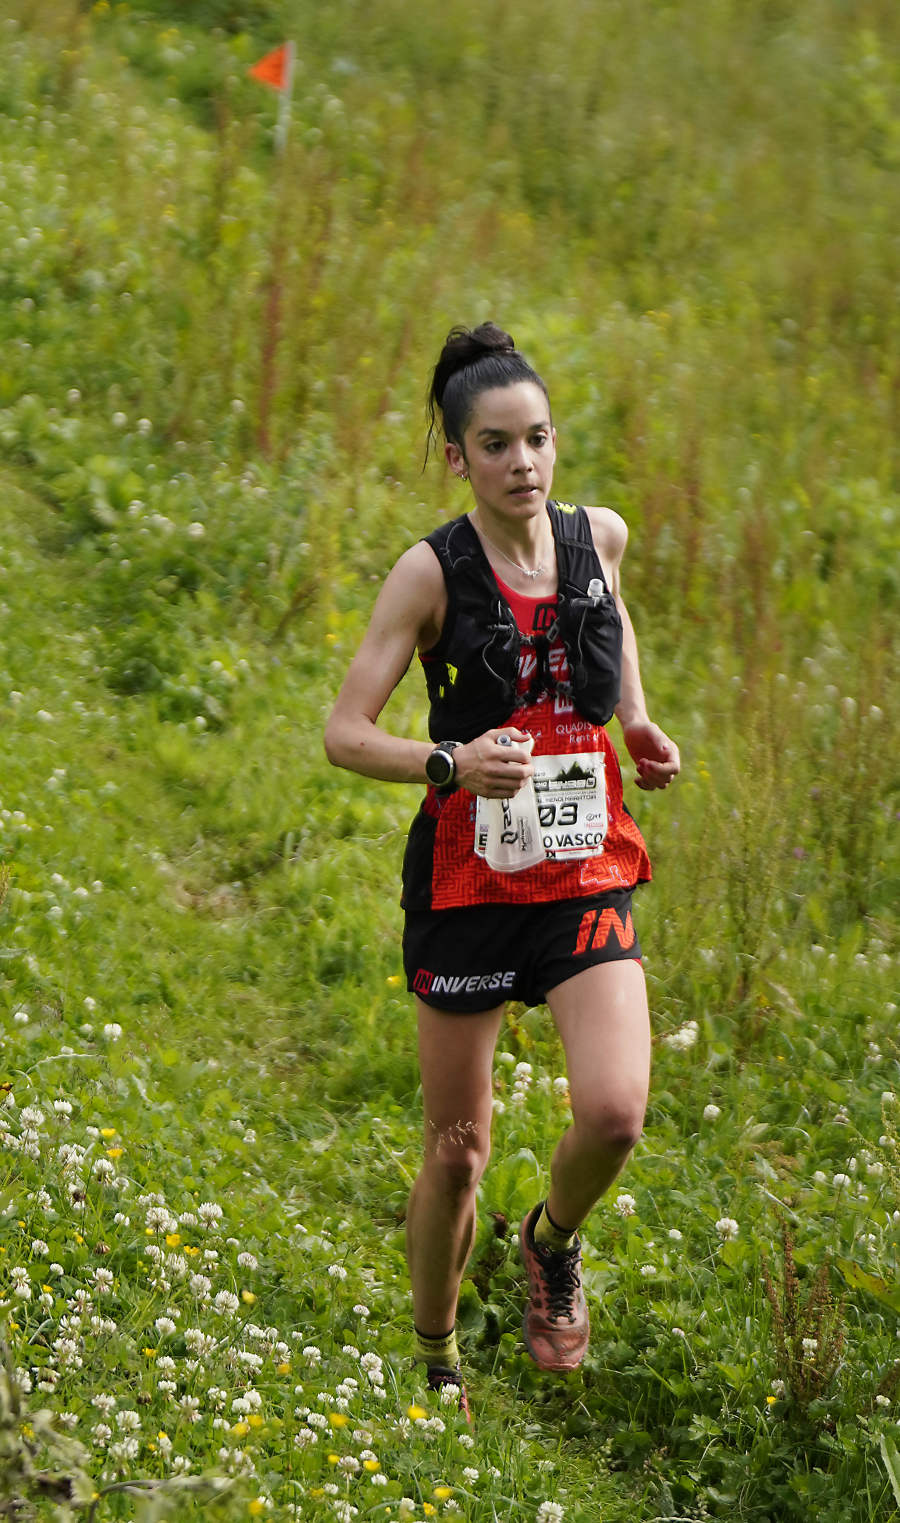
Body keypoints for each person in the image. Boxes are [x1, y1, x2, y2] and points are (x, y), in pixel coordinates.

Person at [324, 322, 679, 1414]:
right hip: (469, 886)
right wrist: (449, 760)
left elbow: (609, 627)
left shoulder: (597, 537)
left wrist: (637, 720)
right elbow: (344, 730)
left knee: (617, 1111)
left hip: (581, 870)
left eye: (536, 439)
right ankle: (435, 1355)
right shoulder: (430, 571)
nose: (522, 463)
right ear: (457, 456)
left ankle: (551, 1242)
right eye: (494, 445)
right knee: (457, 1152)